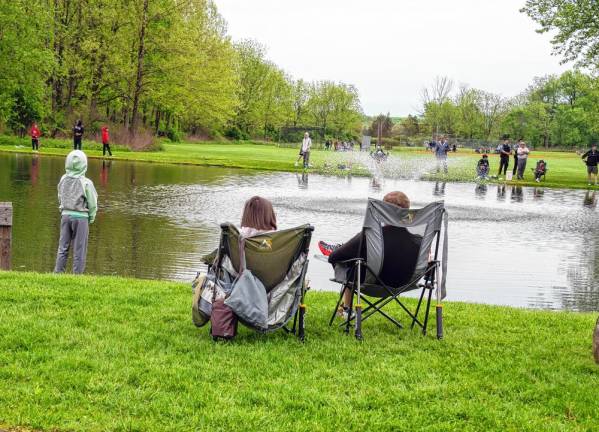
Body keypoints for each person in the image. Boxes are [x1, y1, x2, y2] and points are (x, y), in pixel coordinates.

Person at [318, 191, 412, 319]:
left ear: (384, 211)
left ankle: (347, 309)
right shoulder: (418, 239)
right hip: (404, 283)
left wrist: (342, 253)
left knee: (351, 261)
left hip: (372, 282)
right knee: (357, 256)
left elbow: (334, 257)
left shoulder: (372, 235)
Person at [54, 150, 98, 274]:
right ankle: (77, 275)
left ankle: (58, 273)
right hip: (81, 218)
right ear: (84, 164)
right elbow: (93, 202)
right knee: (79, 249)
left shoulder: (63, 179)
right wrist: (91, 216)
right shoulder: (86, 183)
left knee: (62, 247)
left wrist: (62, 208)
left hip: (65, 216)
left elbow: (60, 195)